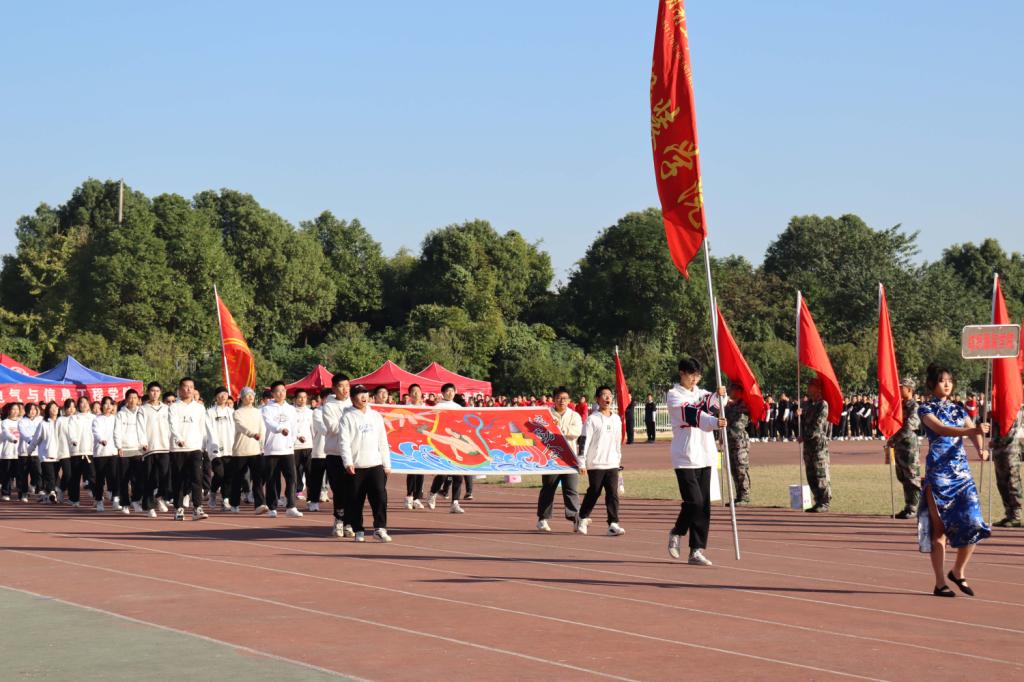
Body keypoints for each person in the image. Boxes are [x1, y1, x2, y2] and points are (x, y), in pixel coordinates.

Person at [918, 363, 991, 597]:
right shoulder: (925, 408)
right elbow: (941, 429)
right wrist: (972, 432)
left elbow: (973, 430)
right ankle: (940, 582)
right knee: (939, 530)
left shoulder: (959, 409)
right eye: (942, 381)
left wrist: (981, 448)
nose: (947, 385)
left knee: (974, 522)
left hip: (961, 474)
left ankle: (958, 570)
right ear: (932, 384)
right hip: (938, 475)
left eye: (949, 380)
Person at [666, 358, 726, 566]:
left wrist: (721, 395)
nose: (694, 379)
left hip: (705, 455)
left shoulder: (701, 393)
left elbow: (715, 403)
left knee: (704, 506)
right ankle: (677, 531)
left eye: (697, 375)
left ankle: (696, 550)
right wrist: (714, 420)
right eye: (691, 374)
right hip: (685, 457)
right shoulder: (674, 395)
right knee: (694, 502)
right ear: (681, 373)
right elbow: (693, 414)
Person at [340, 384, 392, 542]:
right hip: (356, 466)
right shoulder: (347, 417)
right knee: (356, 499)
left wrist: (386, 464)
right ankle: (358, 530)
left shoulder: (375, 416)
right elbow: (344, 442)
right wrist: (348, 462)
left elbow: (383, 441)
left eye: (365, 393)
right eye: (359, 394)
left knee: (380, 497)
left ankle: (380, 528)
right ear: (352, 398)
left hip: (375, 464)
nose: (363, 397)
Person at [575, 386, 624, 536]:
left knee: (612, 493)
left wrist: (618, 460)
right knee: (594, 491)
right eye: (604, 395)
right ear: (597, 399)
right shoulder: (592, 419)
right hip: (595, 463)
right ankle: (582, 517)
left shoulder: (616, 419)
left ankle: (613, 524)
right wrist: (581, 462)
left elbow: (617, 442)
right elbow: (584, 441)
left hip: (612, 463)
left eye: (610, 395)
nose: (607, 398)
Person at [536, 386, 583, 532]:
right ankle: (542, 519)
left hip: (569, 458)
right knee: (548, 488)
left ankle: (575, 518)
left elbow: (576, 432)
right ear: (554, 399)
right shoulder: (546, 415)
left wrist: (559, 429)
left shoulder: (575, 416)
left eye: (565, 398)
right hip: (551, 458)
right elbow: (539, 432)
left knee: (571, 489)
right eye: (559, 398)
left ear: (569, 400)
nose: (562, 401)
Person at [260, 381, 303, 518]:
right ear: (273, 393)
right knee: (272, 479)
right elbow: (269, 424)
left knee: (292, 478)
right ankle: (272, 507)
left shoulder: (290, 409)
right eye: (278, 391)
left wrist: (296, 438)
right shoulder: (266, 409)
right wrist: (280, 429)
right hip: (272, 449)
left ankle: (291, 506)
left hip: (288, 449)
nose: (281, 393)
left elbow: (294, 426)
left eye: (283, 390)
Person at [168, 377, 208, 521]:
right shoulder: (174, 407)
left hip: (195, 448)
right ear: (180, 390)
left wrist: (204, 445)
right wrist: (178, 438)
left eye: (191, 386)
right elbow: (172, 425)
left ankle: (197, 508)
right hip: (178, 449)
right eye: (186, 386)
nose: (189, 389)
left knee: (197, 478)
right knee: (179, 479)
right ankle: (179, 508)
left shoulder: (199, 407)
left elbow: (202, 427)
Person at [322, 373, 354, 537]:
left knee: (353, 490)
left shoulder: (354, 403)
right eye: (341, 386)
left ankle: (349, 522)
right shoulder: (329, 406)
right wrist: (351, 423)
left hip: (353, 455)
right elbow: (334, 428)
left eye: (347, 386)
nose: (345, 389)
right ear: (334, 388)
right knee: (339, 490)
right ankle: (339, 519)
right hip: (335, 455)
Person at [427, 383, 466, 514]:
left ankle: (455, 503)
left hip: (456, 444)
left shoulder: (458, 408)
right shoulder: (438, 407)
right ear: (443, 393)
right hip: (442, 444)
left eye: (452, 391)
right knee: (443, 474)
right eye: (447, 391)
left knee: (458, 476)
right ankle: (432, 493)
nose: (450, 393)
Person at [889, 377, 922, 519]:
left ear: (909, 389)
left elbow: (910, 426)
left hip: (909, 446)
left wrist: (894, 438)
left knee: (911, 477)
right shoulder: (899, 405)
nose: (899, 389)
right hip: (899, 446)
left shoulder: (914, 406)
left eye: (901, 387)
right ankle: (909, 506)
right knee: (902, 476)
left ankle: (914, 508)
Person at [113, 389, 150, 515]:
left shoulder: (141, 412)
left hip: (138, 449)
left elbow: (144, 429)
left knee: (139, 479)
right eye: (130, 397)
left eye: (135, 397)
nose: (132, 400)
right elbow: (117, 431)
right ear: (126, 399)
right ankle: (125, 504)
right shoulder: (121, 414)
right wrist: (119, 447)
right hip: (124, 449)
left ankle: (135, 500)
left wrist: (144, 443)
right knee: (124, 479)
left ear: (138, 399)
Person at [798, 378, 832, 512]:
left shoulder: (823, 404)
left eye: (811, 386)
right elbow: (804, 424)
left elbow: (818, 425)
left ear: (818, 388)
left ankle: (825, 502)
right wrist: (798, 415)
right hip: (808, 446)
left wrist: (804, 436)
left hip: (818, 445)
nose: (808, 388)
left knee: (821, 473)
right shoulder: (809, 405)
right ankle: (818, 501)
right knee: (811, 474)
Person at [230, 386, 265, 513]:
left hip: (255, 451)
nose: (250, 397)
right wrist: (252, 434)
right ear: (242, 398)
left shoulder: (257, 412)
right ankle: (234, 504)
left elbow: (262, 428)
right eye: (247, 395)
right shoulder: (237, 413)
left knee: (258, 479)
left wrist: (262, 443)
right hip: (240, 451)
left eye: (252, 395)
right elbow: (241, 427)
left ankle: (259, 504)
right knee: (237, 479)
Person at [991, 404, 1024, 527]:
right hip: (999, 452)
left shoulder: (1014, 407)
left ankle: (1016, 515)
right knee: (1002, 483)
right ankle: (1009, 514)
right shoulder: (999, 410)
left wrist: (995, 442)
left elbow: (1011, 433)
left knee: (1013, 482)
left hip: (1011, 451)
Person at [141, 383, 172, 513]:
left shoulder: (166, 408)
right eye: (152, 391)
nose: (155, 393)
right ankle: (149, 506)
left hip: (165, 447)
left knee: (165, 476)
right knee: (150, 477)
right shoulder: (143, 409)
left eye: (157, 391)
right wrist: (143, 442)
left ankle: (160, 497)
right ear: (148, 392)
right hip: (150, 448)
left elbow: (172, 426)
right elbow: (140, 427)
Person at [205, 387, 235, 512]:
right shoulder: (209, 412)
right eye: (220, 394)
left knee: (228, 475)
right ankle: (213, 492)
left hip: (230, 448)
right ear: (216, 397)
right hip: (215, 449)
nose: (223, 396)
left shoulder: (232, 412)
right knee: (219, 474)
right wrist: (214, 445)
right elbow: (209, 431)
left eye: (225, 394)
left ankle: (225, 499)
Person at [27, 401, 61, 504]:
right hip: (46, 455)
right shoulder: (43, 424)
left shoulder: (61, 422)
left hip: (59, 455)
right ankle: (52, 494)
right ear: (48, 411)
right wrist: (30, 450)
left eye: (56, 407)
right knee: (50, 476)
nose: (54, 409)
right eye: (51, 408)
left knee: (54, 476)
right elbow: (36, 438)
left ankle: (47, 496)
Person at [91, 397, 119, 512]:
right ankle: (99, 500)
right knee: (100, 478)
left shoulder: (116, 419)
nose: (108, 406)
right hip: (100, 453)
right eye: (105, 404)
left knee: (114, 476)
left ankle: (116, 499)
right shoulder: (97, 419)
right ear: (102, 406)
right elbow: (96, 432)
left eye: (110, 404)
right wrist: (101, 439)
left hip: (113, 451)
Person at [725, 384, 751, 506]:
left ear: (739, 391)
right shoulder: (729, 406)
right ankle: (739, 496)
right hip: (730, 442)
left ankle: (745, 496)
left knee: (741, 469)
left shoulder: (743, 406)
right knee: (733, 469)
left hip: (740, 442)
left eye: (732, 389)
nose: (729, 391)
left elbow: (739, 425)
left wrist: (725, 430)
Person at [306, 388, 331, 512]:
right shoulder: (317, 412)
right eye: (328, 398)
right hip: (320, 451)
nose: (330, 400)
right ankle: (313, 501)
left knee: (336, 480)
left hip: (334, 451)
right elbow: (323, 429)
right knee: (316, 478)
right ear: (322, 399)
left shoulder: (340, 411)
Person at [403, 383, 426, 510]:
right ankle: (409, 496)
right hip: (410, 443)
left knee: (421, 471)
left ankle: (417, 498)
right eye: (413, 391)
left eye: (418, 391)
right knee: (412, 470)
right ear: (409, 394)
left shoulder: (426, 408)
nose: (416, 393)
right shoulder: (406, 408)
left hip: (423, 443)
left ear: (421, 393)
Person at [17, 402, 42, 501]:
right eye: (31, 409)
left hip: (36, 452)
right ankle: (23, 493)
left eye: (34, 409)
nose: (33, 411)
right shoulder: (22, 422)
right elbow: (24, 434)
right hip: (24, 452)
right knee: (23, 474)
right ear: (26, 410)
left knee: (38, 472)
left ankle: (36, 487)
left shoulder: (39, 421)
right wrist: (31, 441)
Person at [292, 389, 313, 505]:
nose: (302, 399)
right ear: (295, 399)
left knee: (310, 471)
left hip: (309, 446)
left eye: (304, 397)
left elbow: (313, 429)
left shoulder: (310, 412)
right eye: (300, 397)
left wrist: (314, 443)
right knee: (296, 471)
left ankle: (311, 497)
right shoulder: (291, 412)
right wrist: (296, 437)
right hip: (295, 446)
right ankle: (298, 490)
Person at [0, 403, 21, 500]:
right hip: (8, 452)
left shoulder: (21, 422)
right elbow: (5, 432)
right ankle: (6, 493)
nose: (16, 411)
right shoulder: (5, 422)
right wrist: (13, 439)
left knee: (20, 474)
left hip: (19, 452)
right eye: (13, 409)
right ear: (9, 410)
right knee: (6, 474)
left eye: (17, 409)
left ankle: (22, 493)